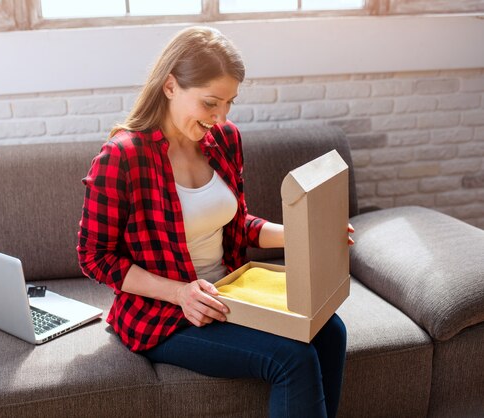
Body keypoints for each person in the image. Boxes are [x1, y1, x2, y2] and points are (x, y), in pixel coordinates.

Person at [78, 26, 354, 418]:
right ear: (170, 86)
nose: (221, 116)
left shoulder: (224, 139)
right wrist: (180, 293)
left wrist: (306, 234)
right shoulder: (122, 157)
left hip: (229, 292)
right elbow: (94, 257)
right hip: (165, 313)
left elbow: (238, 224)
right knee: (292, 358)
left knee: (331, 331)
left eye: (229, 103)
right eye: (211, 103)